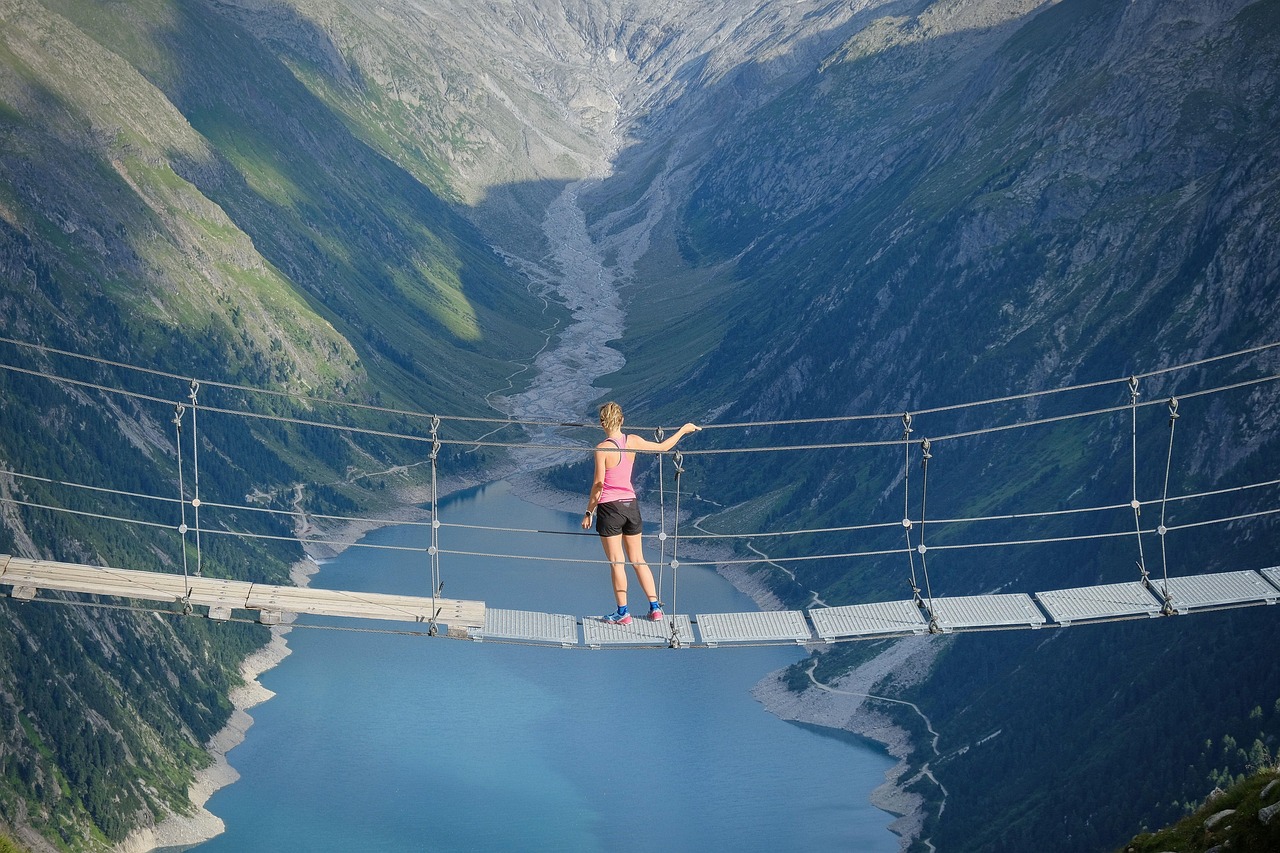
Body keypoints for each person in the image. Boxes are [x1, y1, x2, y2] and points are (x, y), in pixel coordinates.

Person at [581, 401, 700, 624]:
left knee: (617, 562)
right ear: (622, 420)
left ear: (601, 423)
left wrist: (589, 512)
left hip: (609, 509)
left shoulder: (602, 449)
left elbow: (598, 485)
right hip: (631, 507)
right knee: (638, 559)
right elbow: (664, 448)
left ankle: (622, 612)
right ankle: (655, 608)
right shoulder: (632, 441)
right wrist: (684, 429)